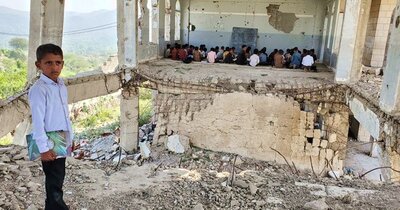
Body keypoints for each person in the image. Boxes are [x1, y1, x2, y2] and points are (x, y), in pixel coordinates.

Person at [28, 43, 73, 210]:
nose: (54, 67)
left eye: (58, 62)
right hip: (49, 143)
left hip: (60, 139)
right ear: (38, 65)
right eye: (48, 63)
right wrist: (44, 148)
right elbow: (38, 122)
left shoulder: (60, 85)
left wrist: (70, 139)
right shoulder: (39, 89)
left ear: (62, 63)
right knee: (54, 184)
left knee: (57, 179)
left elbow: (64, 115)